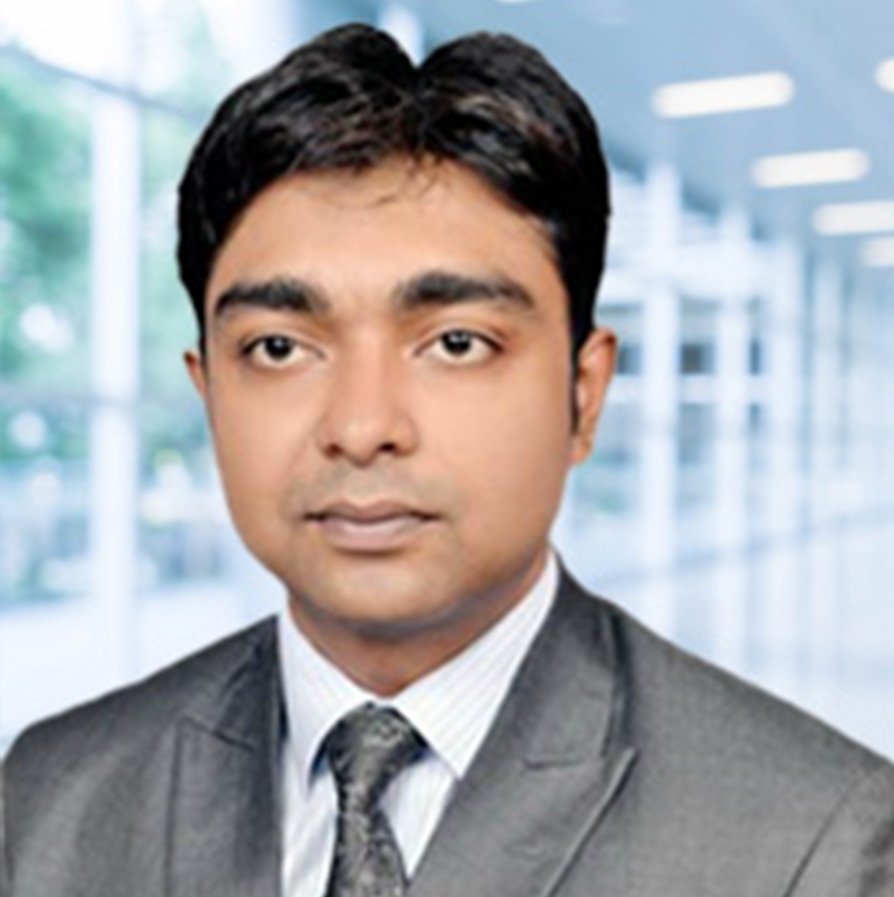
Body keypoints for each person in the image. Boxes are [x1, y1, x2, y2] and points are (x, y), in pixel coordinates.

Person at [1, 22, 892, 897]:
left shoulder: (814, 838)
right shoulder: (50, 799)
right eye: (279, 347)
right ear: (208, 394)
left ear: (584, 395)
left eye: (456, 342)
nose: (362, 426)